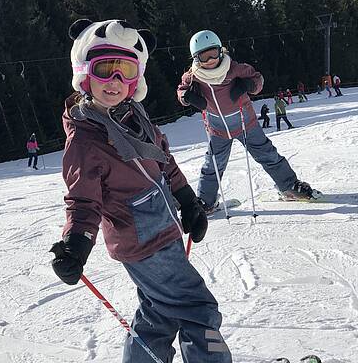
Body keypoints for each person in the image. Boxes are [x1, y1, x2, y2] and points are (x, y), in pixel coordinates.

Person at [50, 19, 232, 363]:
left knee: (158, 313)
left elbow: (163, 158)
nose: (115, 82)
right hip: (143, 242)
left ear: (137, 76)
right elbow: (82, 201)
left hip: (163, 229)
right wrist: (76, 244)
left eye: (126, 70)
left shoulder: (133, 114)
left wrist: (188, 201)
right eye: (105, 70)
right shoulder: (85, 139)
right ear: (85, 72)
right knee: (197, 307)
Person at [177, 29, 320, 214]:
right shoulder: (193, 76)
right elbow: (181, 90)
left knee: (267, 154)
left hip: (246, 123)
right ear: (196, 59)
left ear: (221, 51)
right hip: (217, 130)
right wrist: (186, 97)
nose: (210, 60)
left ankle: (289, 186)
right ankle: (206, 201)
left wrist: (249, 85)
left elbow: (257, 79)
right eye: (204, 57)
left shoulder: (235, 68)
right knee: (212, 165)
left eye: (213, 53)